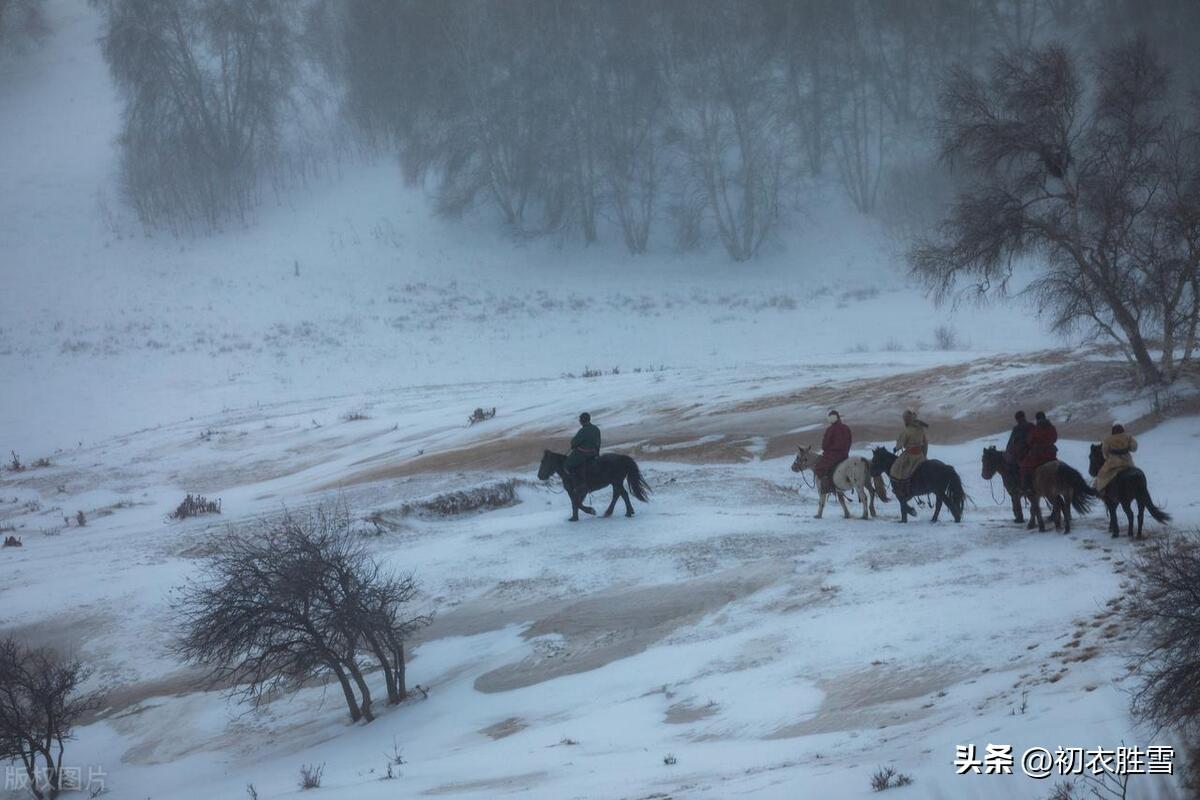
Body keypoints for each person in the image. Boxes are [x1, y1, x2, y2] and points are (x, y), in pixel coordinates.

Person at [889, 409, 928, 497]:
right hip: (920, 455)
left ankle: (902, 487)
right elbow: (925, 442)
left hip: (910, 456)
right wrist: (924, 455)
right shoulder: (920, 429)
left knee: (897, 468)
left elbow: (900, 443)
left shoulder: (907, 430)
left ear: (906, 420)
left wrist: (896, 448)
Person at [813, 409, 852, 492]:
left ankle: (827, 487)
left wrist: (827, 450)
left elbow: (825, 445)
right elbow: (850, 440)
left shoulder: (830, 429)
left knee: (819, 468)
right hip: (845, 455)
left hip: (833, 455)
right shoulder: (846, 428)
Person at [1019, 410, 1058, 492]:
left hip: (1039, 455)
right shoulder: (1051, 427)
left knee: (1024, 465)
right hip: (1051, 455)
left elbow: (1030, 441)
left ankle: (1027, 487)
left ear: (1037, 419)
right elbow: (1054, 439)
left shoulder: (1036, 429)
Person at [1095, 423, 1137, 498]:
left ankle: (1100, 491)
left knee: (1101, 475)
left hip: (1113, 464)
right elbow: (1134, 448)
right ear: (1122, 428)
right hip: (1128, 463)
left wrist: (1108, 457)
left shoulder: (1108, 439)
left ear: (1113, 429)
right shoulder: (1129, 437)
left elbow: (1105, 453)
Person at [564, 412, 601, 494]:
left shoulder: (583, 430)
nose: (580, 421)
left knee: (567, 465)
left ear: (582, 421)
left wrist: (574, 445)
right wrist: (597, 453)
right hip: (594, 453)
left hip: (583, 454)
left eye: (580, 420)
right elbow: (598, 443)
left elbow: (574, 442)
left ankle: (577, 484)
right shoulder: (596, 429)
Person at [1003, 410, 1033, 474]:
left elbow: (1010, 442)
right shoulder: (1031, 425)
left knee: (1010, 466)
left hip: (1022, 453)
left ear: (1017, 419)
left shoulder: (1016, 429)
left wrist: (1007, 451)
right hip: (1033, 450)